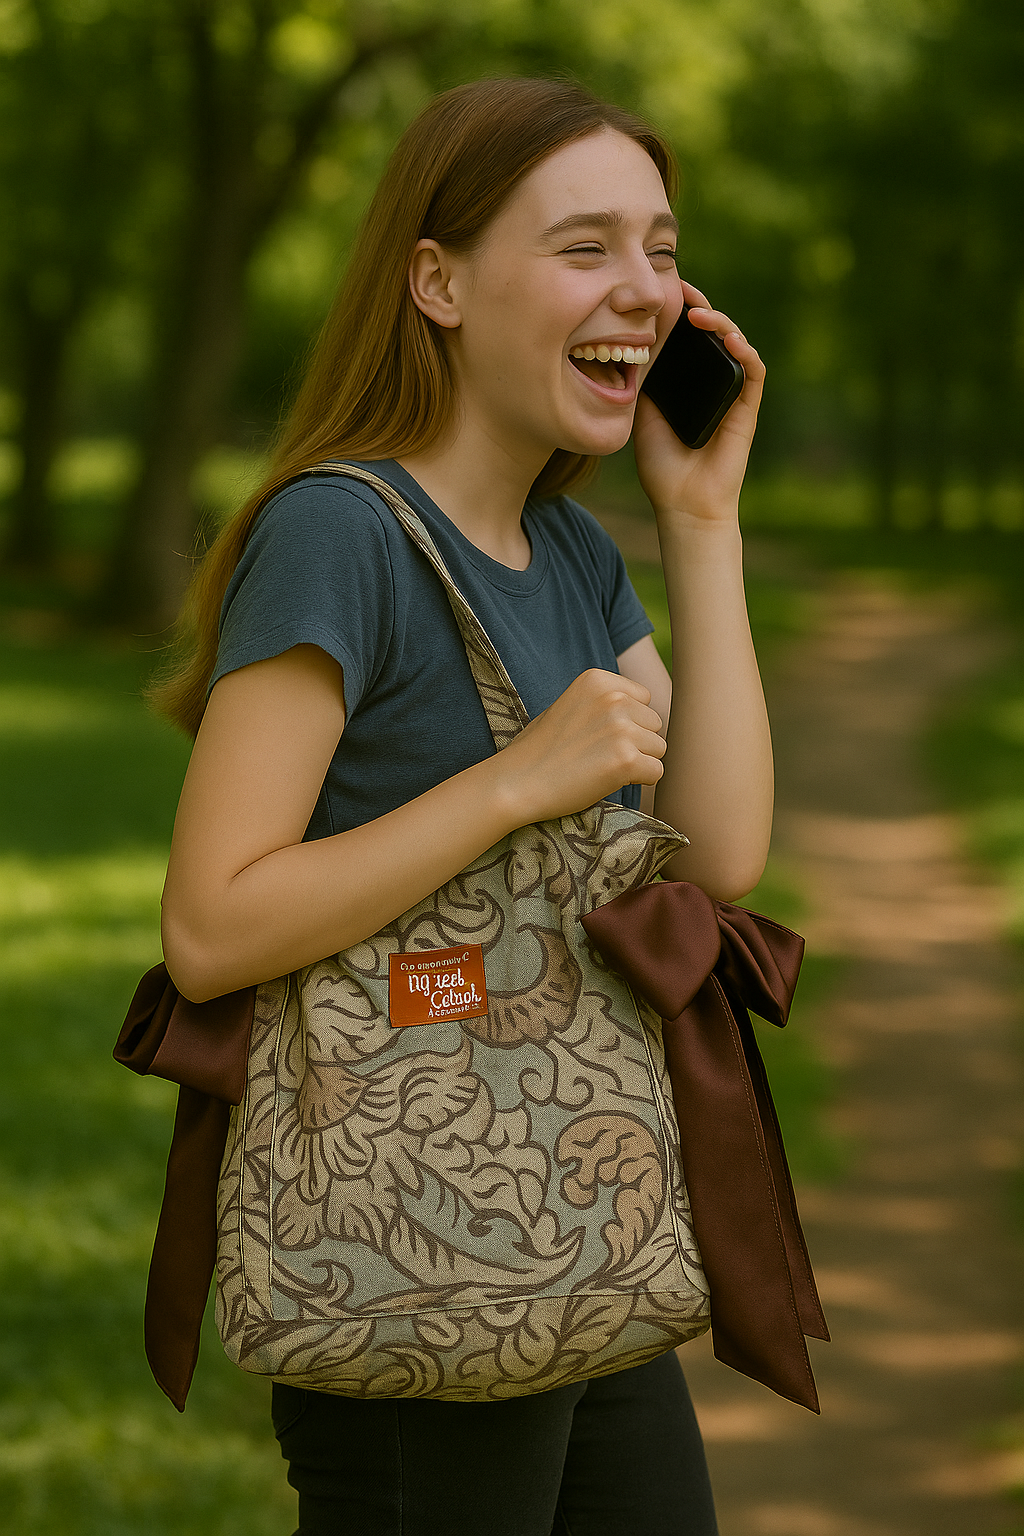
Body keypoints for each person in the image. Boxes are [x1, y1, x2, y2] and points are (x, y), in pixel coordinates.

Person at [153, 76, 770, 1536]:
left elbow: (722, 853)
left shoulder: (568, 553)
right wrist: (512, 785)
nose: (646, 293)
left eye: (663, 250)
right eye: (586, 248)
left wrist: (701, 521)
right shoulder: (340, 533)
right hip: (416, 1261)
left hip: (582, 1232)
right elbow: (207, 925)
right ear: (436, 279)